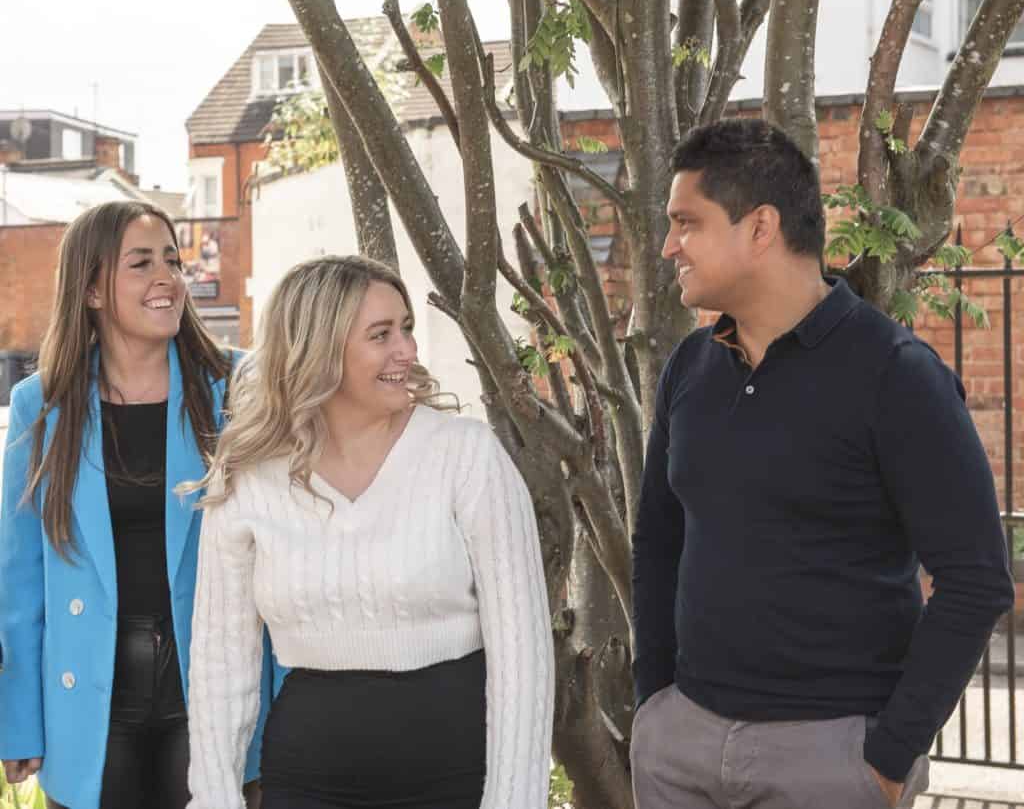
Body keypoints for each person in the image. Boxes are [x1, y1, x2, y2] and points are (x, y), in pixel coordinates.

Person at [630, 119, 1015, 809]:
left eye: (687, 222)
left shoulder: (895, 375)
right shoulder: (689, 367)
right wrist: (653, 702)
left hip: (828, 761)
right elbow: (659, 540)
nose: (669, 246)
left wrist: (888, 758)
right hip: (680, 746)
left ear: (760, 228)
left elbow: (977, 579)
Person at [183, 255, 554, 809]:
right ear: (319, 349)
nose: (406, 349)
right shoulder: (251, 475)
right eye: (381, 335)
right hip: (307, 778)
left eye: (405, 328)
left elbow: (523, 652)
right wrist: (215, 798)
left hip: (456, 776)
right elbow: (220, 662)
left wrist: (513, 801)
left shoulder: (466, 454)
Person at [0, 200, 271, 809]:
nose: (168, 278)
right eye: (142, 263)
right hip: (88, 693)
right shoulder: (40, 405)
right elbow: (18, 576)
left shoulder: (237, 387)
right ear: (92, 289)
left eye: (172, 261)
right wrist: (18, 717)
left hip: (214, 683)